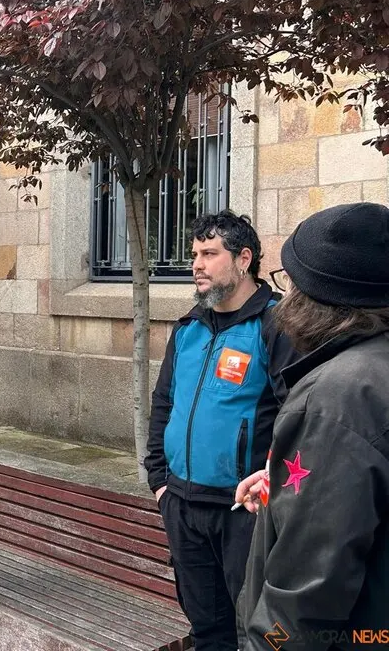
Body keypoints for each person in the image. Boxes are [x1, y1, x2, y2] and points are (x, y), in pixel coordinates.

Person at [235, 202, 389, 648]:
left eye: (289, 282)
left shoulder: (335, 398)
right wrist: (289, 479)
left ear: (317, 296)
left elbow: (304, 596)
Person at [145, 210, 298, 651]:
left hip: (245, 514)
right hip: (183, 506)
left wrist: (272, 492)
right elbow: (164, 405)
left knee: (258, 631)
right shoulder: (189, 328)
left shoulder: (276, 326)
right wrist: (159, 481)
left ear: (243, 259)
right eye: (195, 254)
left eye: (210, 253)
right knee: (207, 630)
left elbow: (296, 415)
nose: (197, 264)